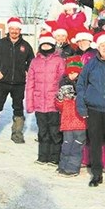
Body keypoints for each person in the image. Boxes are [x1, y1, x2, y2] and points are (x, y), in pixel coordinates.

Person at [76, 33, 105, 187]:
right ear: (98, 47)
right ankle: (96, 175)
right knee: (95, 143)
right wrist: (82, 106)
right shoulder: (91, 64)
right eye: (103, 45)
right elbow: (81, 84)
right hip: (94, 109)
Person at [0, 17, 35, 144]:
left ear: (20, 30)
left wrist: (27, 70)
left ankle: (17, 133)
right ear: (8, 29)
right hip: (2, 82)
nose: (14, 31)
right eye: (12, 29)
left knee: (18, 108)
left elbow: (32, 61)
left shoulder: (25, 46)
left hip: (19, 83)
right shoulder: (0, 44)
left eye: (16, 29)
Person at [26, 31, 66, 165]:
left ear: (53, 46)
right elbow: (30, 84)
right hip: (39, 102)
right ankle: (43, 156)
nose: (46, 47)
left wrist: (61, 101)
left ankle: (55, 157)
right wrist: (30, 103)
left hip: (54, 103)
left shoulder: (59, 61)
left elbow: (62, 81)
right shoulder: (34, 62)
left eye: (49, 45)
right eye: (43, 45)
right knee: (42, 130)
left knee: (55, 131)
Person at [55, 55, 87, 177]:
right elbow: (59, 106)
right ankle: (63, 165)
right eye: (70, 72)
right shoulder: (63, 84)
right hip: (67, 122)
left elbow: (86, 102)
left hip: (80, 122)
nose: (72, 75)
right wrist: (60, 99)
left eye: (75, 72)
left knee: (76, 146)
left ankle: (73, 168)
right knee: (66, 144)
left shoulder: (83, 86)